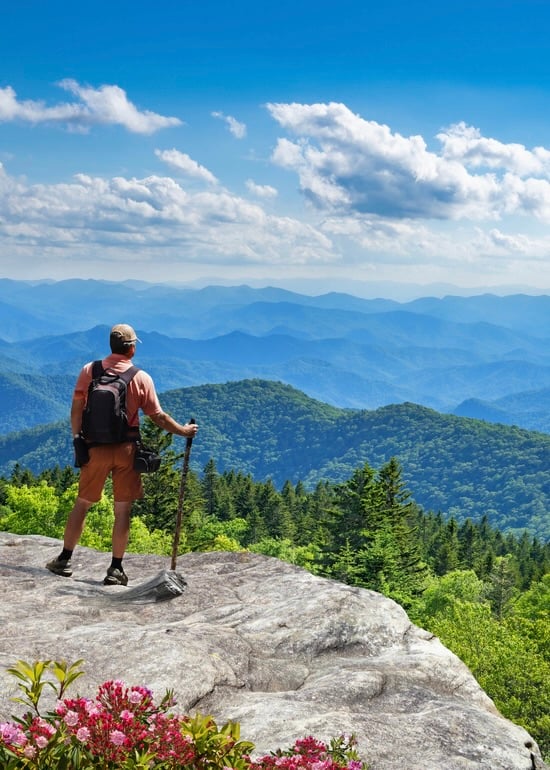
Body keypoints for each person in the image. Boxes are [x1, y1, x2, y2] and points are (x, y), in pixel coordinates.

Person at [46, 323, 198, 586]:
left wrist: (77, 440)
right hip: (126, 450)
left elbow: (76, 409)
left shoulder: (89, 371)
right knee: (123, 510)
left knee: (82, 503)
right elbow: (158, 417)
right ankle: (115, 569)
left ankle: (64, 559)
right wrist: (184, 431)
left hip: (94, 448)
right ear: (131, 349)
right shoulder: (141, 378)